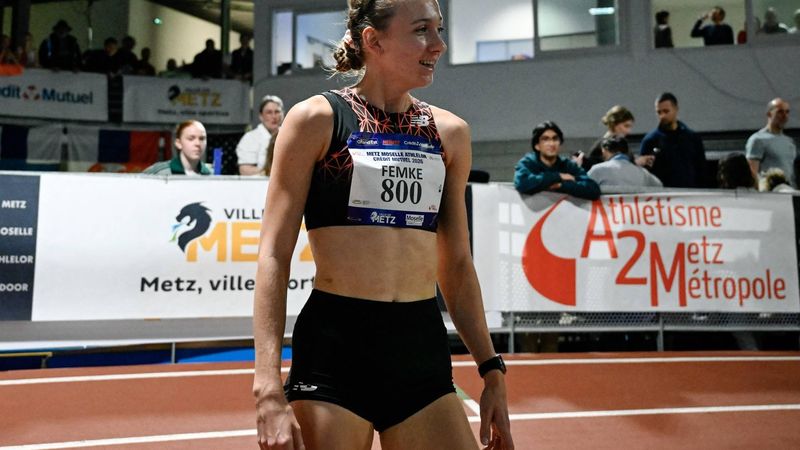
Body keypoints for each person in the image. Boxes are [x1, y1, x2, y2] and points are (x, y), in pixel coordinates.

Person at [252, 1, 513, 449]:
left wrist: (491, 369)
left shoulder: (449, 133)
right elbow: (273, 254)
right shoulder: (316, 120)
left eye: (439, 29)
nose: (438, 44)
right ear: (373, 40)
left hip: (420, 349)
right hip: (335, 352)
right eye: (421, 30)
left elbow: (456, 264)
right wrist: (267, 386)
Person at [515, 121, 600, 199]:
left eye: (555, 139)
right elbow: (522, 183)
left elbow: (593, 189)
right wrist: (559, 176)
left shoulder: (568, 165)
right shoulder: (528, 163)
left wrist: (561, 186)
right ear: (537, 146)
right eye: (545, 139)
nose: (552, 144)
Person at [639, 92, 708, 188]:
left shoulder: (692, 138)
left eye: (666, 111)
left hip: (690, 193)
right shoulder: (650, 141)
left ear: (676, 109)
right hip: (663, 194)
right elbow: (644, 174)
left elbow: (702, 171)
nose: (662, 116)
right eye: (659, 112)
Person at [583, 105, 652, 171]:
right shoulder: (603, 146)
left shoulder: (619, 144)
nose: (628, 131)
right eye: (626, 126)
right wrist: (636, 163)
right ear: (614, 124)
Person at [746, 98, 796, 186]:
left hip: (789, 190)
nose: (784, 116)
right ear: (769, 114)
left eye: (787, 112)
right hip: (770, 191)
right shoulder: (758, 139)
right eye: (780, 112)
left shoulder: (789, 142)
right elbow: (752, 173)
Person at [588, 136, 663, 188]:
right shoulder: (643, 173)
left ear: (605, 150)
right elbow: (660, 186)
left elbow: (584, 188)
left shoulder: (598, 169)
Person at [236, 95, 283, 176]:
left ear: (283, 114)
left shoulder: (290, 135)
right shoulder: (250, 138)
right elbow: (244, 170)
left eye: (277, 112)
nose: (274, 116)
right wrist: (269, 172)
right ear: (261, 116)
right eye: (269, 112)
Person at [143, 120, 211, 175]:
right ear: (178, 143)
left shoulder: (211, 174)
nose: (198, 143)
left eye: (202, 139)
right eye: (191, 139)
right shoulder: (158, 172)